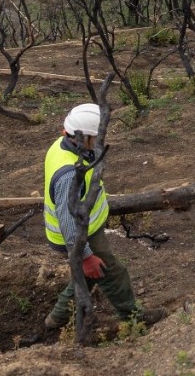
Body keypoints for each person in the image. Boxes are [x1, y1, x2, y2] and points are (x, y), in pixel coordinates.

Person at [42, 103, 163, 330]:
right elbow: (68, 220)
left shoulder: (61, 145)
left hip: (85, 227)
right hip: (77, 236)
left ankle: (56, 319)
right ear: (82, 137)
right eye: (96, 136)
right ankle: (134, 318)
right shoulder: (69, 173)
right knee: (112, 272)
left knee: (87, 276)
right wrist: (85, 255)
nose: (101, 139)